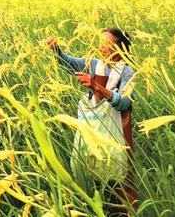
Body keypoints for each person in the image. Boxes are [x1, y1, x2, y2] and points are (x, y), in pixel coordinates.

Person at [46, 28, 137, 215]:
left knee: (116, 175)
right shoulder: (95, 64)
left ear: (119, 48)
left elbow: (127, 102)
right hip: (92, 128)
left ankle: (117, 209)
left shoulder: (128, 72)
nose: (100, 47)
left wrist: (97, 87)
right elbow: (69, 63)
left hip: (115, 132)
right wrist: (56, 49)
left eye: (106, 43)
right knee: (91, 168)